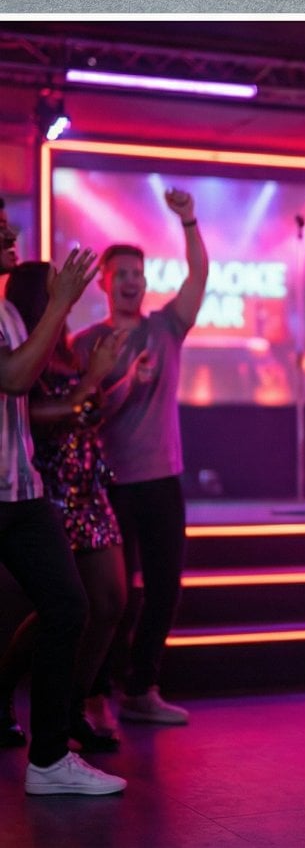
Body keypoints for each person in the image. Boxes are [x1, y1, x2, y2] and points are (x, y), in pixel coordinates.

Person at [71, 187, 208, 727]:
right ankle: (95, 691)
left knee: (165, 588)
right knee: (113, 596)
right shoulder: (85, 343)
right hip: (107, 483)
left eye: (138, 273)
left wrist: (190, 222)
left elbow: (198, 278)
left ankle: (140, 689)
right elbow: (84, 412)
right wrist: (130, 380)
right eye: (121, 273)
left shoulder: (165, 327)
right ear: (104, 282)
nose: (131, 281)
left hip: (162, 479)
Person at [0, 248, 126, 796]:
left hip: (25, 487)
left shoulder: (13, 320)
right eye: (1, 216)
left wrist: (105, 381)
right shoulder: (31, 325)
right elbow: (18, 385)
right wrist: (63, 308)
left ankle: (50, 755)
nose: (11, 229)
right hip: (38, 484)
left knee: (72, 605)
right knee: (70, 605)